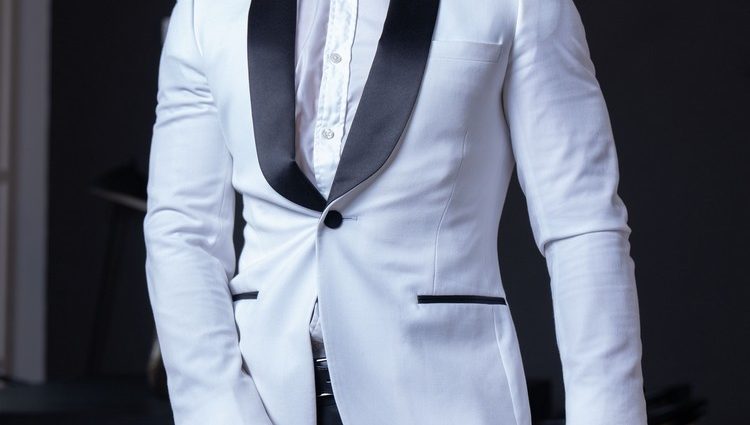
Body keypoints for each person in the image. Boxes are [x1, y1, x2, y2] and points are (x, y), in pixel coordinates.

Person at [143, 0, 648, 424]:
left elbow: (583, 224)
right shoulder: (204, 9)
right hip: (263, 399)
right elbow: (182, 230)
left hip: (445, 399)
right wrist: (215, 409)